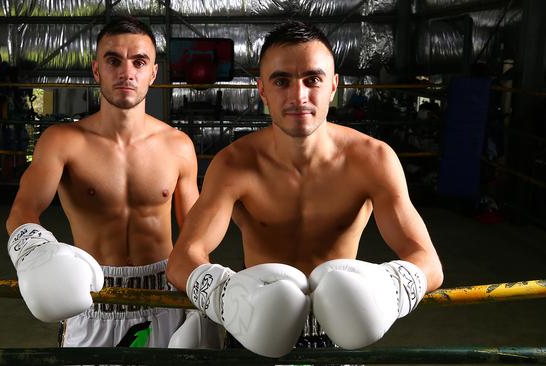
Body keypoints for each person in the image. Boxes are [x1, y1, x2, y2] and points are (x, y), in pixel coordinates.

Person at [166, 21, 444, 358]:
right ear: (262, 90)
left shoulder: (373, 160)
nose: (298, 96)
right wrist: (226, 296)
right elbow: (183, 259)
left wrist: (390, 288)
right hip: (256, 323)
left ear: (333, 87)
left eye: (312, 79)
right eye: (281, 81)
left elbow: (427, 261)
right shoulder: (234, 164)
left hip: (341, 330)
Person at [5, 16, 200, 349]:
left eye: (139, 62)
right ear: (97, 70)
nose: (127, 72)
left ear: (152, 73)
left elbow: (195, 231)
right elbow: (24, 209)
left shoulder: (178, 145)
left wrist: (204, 284)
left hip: (163, 296)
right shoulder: (62, 141)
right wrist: (36, 253)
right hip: (90, 295)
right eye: (114, 60)